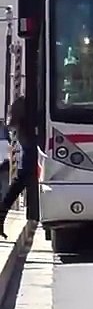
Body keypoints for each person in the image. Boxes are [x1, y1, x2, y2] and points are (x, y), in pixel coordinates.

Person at [0, 94, 36, 238]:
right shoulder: (29, 104)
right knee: (23, 177)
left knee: (22, 179)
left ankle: (2, 212)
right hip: (29, 145)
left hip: (27, 144)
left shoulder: (23, 102)